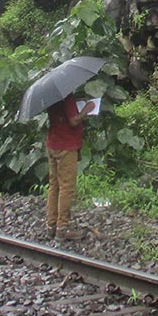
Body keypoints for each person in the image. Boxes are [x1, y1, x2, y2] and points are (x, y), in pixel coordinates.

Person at [45, 93, 95, 240]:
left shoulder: (50, 95)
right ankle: (62, 228)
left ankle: (51, 225)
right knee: (66, 187)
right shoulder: (67, 96)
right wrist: (87, 108)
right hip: (66, 146)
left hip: (53, 143)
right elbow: (73, 121)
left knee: (54, 186)